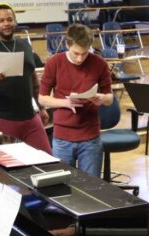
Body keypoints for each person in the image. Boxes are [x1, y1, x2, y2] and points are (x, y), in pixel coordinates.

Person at [0, 3, 52, 154]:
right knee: (11, 168)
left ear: (15, 21)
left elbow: (33, 81)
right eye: (1, 21)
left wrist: (42, 108)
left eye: (9, 19)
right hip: (1, 118)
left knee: (47, 159)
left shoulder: (25, 46)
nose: (6, 23)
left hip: (29, 116)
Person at [39, 23, 113, 177]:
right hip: (62, 137)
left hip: (91, 137)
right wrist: (65, 103)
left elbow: (110, 98)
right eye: (75, 53)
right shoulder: (54, 62)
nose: (80, 58)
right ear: (67, 44)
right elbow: (42, 98)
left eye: (84, 53)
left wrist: (101, 98)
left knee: (92, 187)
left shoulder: (100, 64)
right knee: (63, 187)